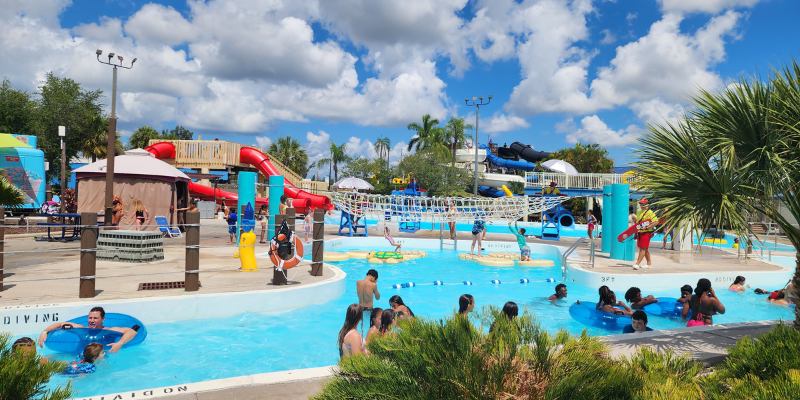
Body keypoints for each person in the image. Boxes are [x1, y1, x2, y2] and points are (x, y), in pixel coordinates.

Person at [38, 307, 138, 353]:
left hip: (100, 357)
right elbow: (60, 324)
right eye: (90, 318)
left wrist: (119, 343)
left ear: (102, 319)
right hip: (78, 355)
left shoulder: (109, 331)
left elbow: (132, 331)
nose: (92, 321)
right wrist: (45, 331)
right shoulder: (81, 328)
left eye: (95, 318)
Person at [632, 198, 659, 270]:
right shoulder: (639, 212)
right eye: (640, 204)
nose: (641, 205)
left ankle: (637, 264)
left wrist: (648, 227)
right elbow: (638, 224)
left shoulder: (650, 212)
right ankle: (649, 263)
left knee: (643, 248)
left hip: (647, 233)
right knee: (644, 248)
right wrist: (635, 232)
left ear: (647, 205)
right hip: (640, 232)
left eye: (642, 204)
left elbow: (656, 222)